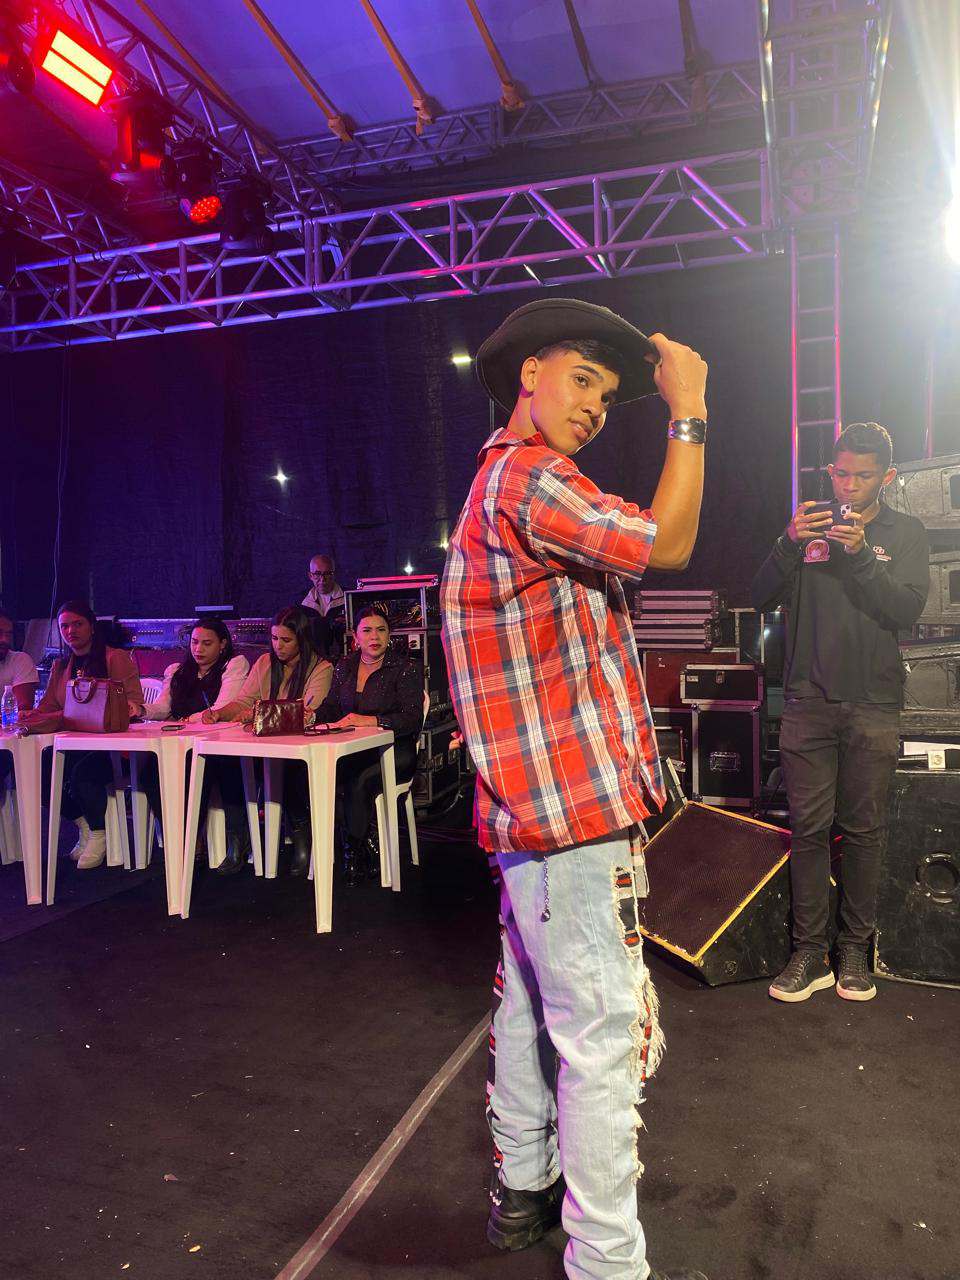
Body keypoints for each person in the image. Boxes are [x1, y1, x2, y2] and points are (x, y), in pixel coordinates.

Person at [440, 297, 710, 1280]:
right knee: (600, 1035)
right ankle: (607, 1261)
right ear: (529, 374)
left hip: (529, 813)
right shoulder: (528, 476)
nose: (594, 407)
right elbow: (667, 542)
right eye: (581, 379)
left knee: (525, 1002)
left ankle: (523, 1190)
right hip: (568, 811)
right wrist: (690, 411)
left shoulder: (496, 482)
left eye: (606, 393)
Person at [752, 422, 929, 1004]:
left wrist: (861, 557)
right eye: (841, 473)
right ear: (830, 470)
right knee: (806, 828)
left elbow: (904, 610)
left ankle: (854, 949)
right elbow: (757, 596)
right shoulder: (809, 528)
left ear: (888, 476)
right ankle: (808, 952)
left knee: (863, 831)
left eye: (864, 476)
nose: (849, 486)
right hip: (808, 700)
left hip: (873, 702)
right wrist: (786, 542)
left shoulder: (905, 533)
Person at [201, 606, 333, 874]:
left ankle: (302, 837)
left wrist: (259, 713)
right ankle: (239, 838)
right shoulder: (264, 663)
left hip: (301, 752)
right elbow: (244, 702)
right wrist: (219, 713)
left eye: (286, 640)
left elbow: (307, 711)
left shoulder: (321, 667)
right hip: (263, 748)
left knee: (289, 769)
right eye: (274, 638)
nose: (278, 646)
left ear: (301, 639)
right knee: (225, 763)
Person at [18, 600, 144, 869]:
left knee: (81, 774)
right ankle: (83, 822)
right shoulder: (61, 666)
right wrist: (29, 716)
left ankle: (99, 833)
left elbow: (134, 703)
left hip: (114, 747)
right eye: (64, 626)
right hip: (74, 744)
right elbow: (48, 708)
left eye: (77, 624)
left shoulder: (115, 658)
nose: (70, 631)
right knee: (34, 770)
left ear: (92, 626)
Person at [314, 605, 424, 885]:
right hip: (355, 750)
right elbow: (331, 707)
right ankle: (364, 839)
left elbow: (411, 719)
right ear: (356, 637)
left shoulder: (405, 668)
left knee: (358, 780)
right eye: (367, 630)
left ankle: (354, 852)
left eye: (381, 630)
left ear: (389, 635)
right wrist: (311, 716)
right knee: (321, 775)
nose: (374, 636)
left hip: (395, 751)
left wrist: (371, 720)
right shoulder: (345, 666)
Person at [141, 619, 250, 871]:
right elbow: (162, 708)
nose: (198, 649)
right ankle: (180, 837)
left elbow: (222, 709)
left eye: (207, 643)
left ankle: (231, 839)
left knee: (207, 767)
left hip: (218, 743)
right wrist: (141, 710)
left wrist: (184, 720)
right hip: (181, 742)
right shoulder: (178, 671)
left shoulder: (233, 665)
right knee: (149, 770)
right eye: (194, 642)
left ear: (222, 644)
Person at [0, 610, 39, 787]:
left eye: (8, 634)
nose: (4, 640)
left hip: (7, 745)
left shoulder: (20, 660)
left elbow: (22, 709)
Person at [302, 553, 346, 660]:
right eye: (317, 574)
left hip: (344, 658)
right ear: (310, 576)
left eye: (327, 573)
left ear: (334, 574)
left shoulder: (348, 598)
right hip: (312, 660)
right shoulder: (301, 601)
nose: (322, 579)